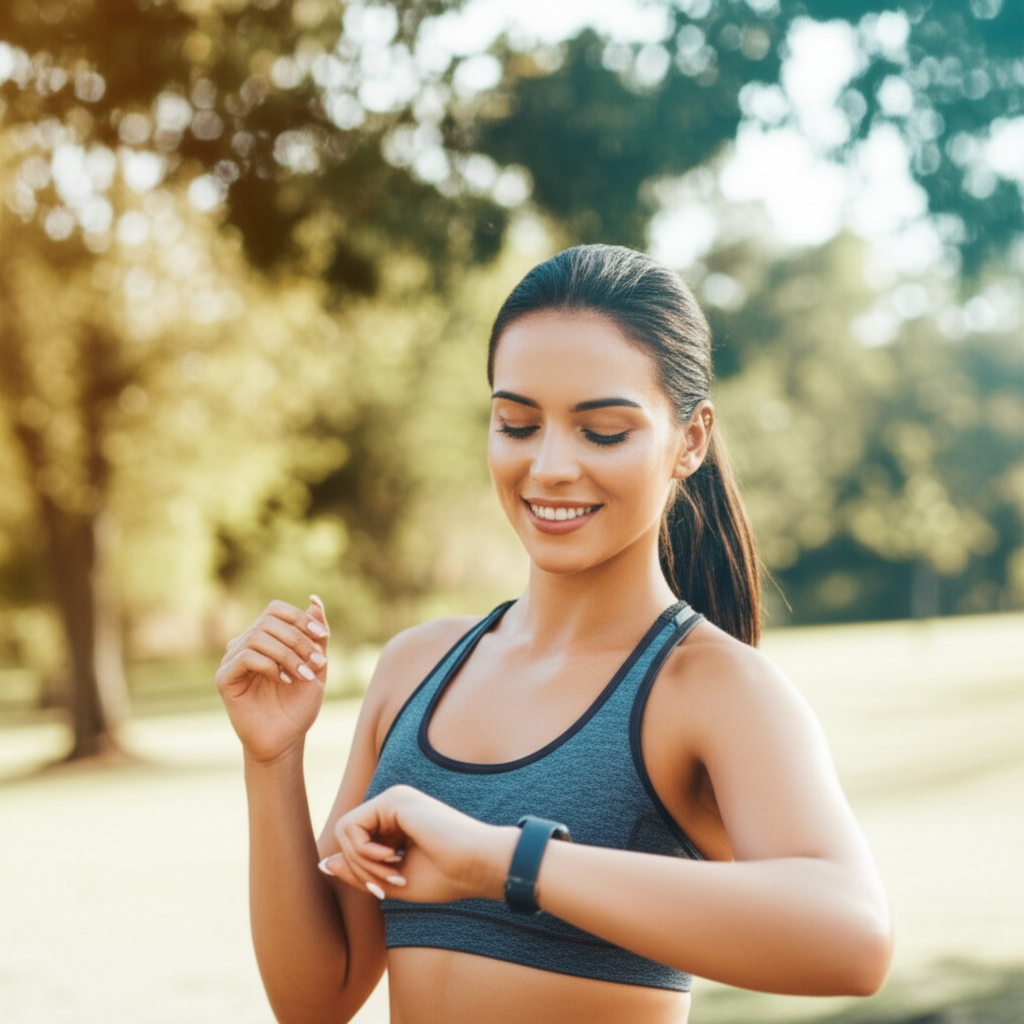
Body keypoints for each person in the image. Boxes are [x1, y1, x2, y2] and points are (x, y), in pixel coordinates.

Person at [216, 244, 893, 1024]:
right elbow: (316, 1000)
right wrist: (272, 759)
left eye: (602, 431)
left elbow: (855, 937)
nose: (549, 467)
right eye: (517, 423)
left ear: (691, 441)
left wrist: (498, 861)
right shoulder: (416, 668)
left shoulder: (709, 686)